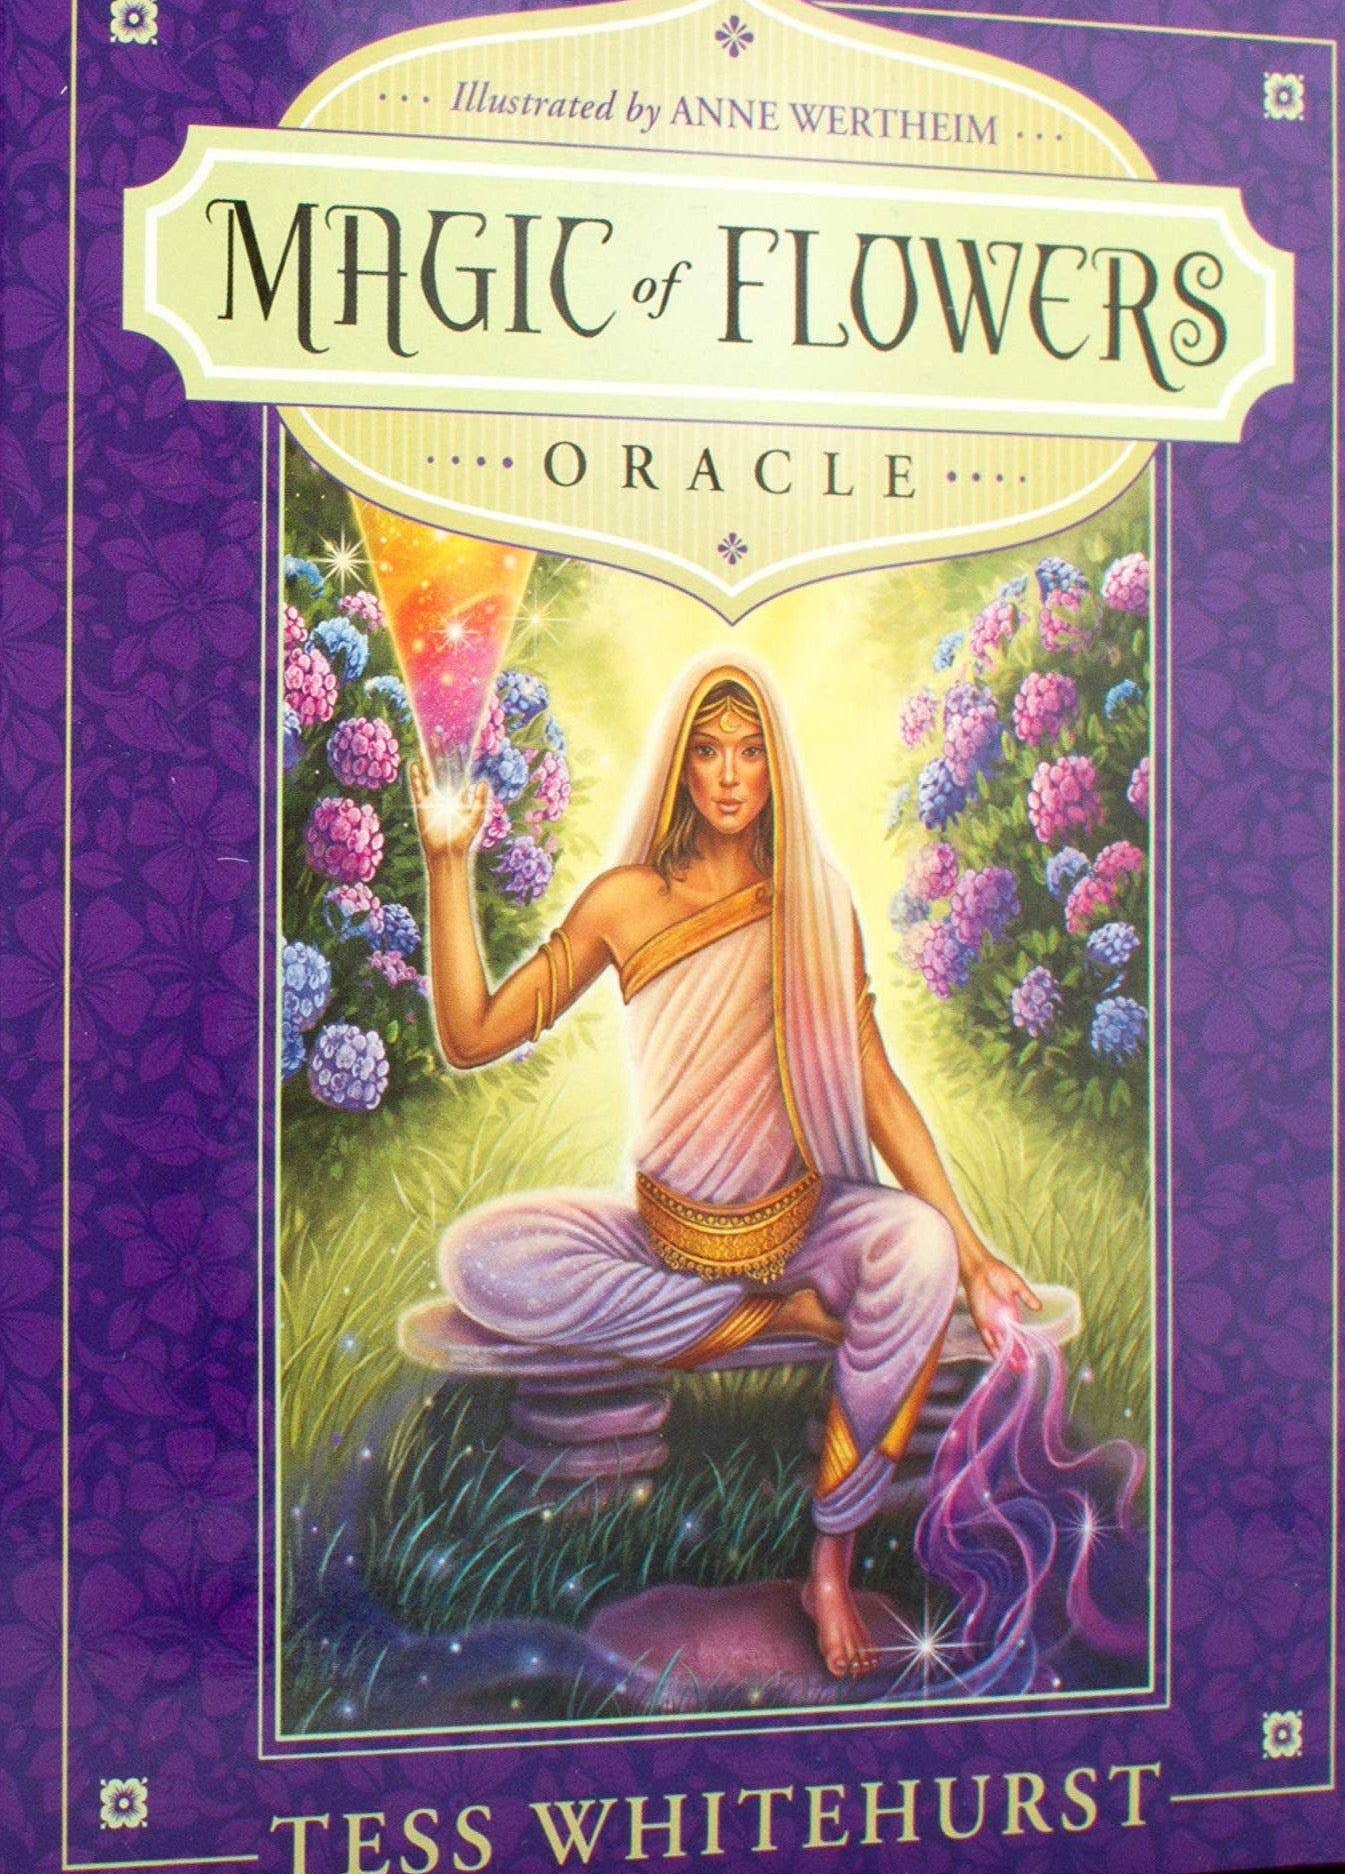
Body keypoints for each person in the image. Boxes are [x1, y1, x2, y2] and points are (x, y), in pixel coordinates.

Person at [411, 649, 1039, 1680]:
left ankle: (828, 1566)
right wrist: (447, 865)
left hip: (802, 1225)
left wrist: (973, 1253)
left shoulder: (813, 903)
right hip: (666, 1239)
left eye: (750, 752)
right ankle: (778, 1319)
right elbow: (472, 1035)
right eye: (708, 751)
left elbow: (876, 1084)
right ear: (681, 767)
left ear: (775, 766)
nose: (731, 775)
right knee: (482, 1253)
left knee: (918, 1247)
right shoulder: (626, 901)